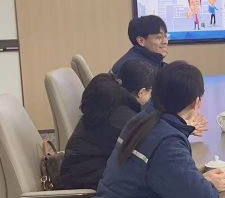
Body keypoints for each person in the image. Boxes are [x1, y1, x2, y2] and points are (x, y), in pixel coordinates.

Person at [77, 61, 225, 198]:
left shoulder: (141, 120)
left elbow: (163, 176)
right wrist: (209, 186)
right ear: (196, 102)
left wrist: (196, 179)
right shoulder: (166, 141)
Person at [57, 60, 155, 190]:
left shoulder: (110, 103)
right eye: (150, 92)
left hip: (80, 173)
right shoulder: (124, 119)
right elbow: (150, 151)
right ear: (141, 92)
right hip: (87, 184)